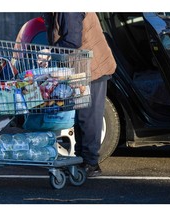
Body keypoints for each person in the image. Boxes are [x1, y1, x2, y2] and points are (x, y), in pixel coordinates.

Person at [42, 12, 116, 177]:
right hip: (82, 66)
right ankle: (81, 160)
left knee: (88, 117)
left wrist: (50, 51)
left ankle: (90, 163)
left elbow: (72, 40)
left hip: (93, 66)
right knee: (81, 115)